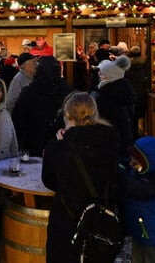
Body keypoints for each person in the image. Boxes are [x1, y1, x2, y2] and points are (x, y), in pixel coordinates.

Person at [41, 92, 120, 263]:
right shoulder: (109, 140)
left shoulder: (61, 147)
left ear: (68, 116)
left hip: (67, 221)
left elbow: (49, 180)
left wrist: (58, 145)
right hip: (100, 219)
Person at [119, 136, 155, 263]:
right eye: (132, 159)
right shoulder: (140, 170)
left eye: (135, 162)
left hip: (152, 235)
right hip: (140, 231)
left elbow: (134, 188)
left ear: (148, 163)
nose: (131, 163)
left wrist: (120, 176)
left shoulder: (154, 180)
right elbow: (125, 163)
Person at [12, 55, 74, 156]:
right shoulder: (69, 91)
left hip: (33, 143)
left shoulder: (29, 92)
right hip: (61, 142)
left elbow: (17, 119)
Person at [95, 55, 136, 156]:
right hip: (122, 133)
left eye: (103, 73)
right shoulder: (123, 87)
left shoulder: (108, 91)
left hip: (111, 134)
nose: (99, 75)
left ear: (111, 76)